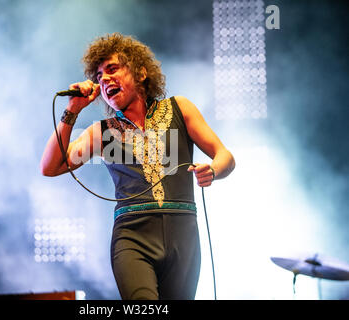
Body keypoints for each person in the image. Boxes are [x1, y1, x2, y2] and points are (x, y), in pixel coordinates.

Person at [40, 33, 235, 300]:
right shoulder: (102, 133)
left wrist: (212, 170)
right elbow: (50, 166)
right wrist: (72, 110)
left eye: (112, 69)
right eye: (98, 77)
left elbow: (225, 156)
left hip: (184, 235)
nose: (104, 79)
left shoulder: (179, 108)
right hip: (133, 237)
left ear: (141, 73)